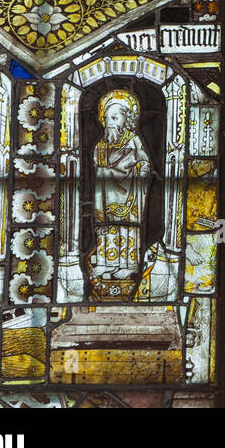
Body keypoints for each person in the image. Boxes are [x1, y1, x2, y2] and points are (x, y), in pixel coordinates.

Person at [87, 90, 154, 298]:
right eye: (107, 118)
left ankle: (128, 265)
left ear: (126, 119)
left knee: (127, 229)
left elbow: (144, 163)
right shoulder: (101, 144)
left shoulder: (134, 141)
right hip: (105, 196)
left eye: (114, 118)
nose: (109, 123)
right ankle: (106, 263)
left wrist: (141, 173)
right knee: (107, 230)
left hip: (129, 195)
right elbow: (98, 163)